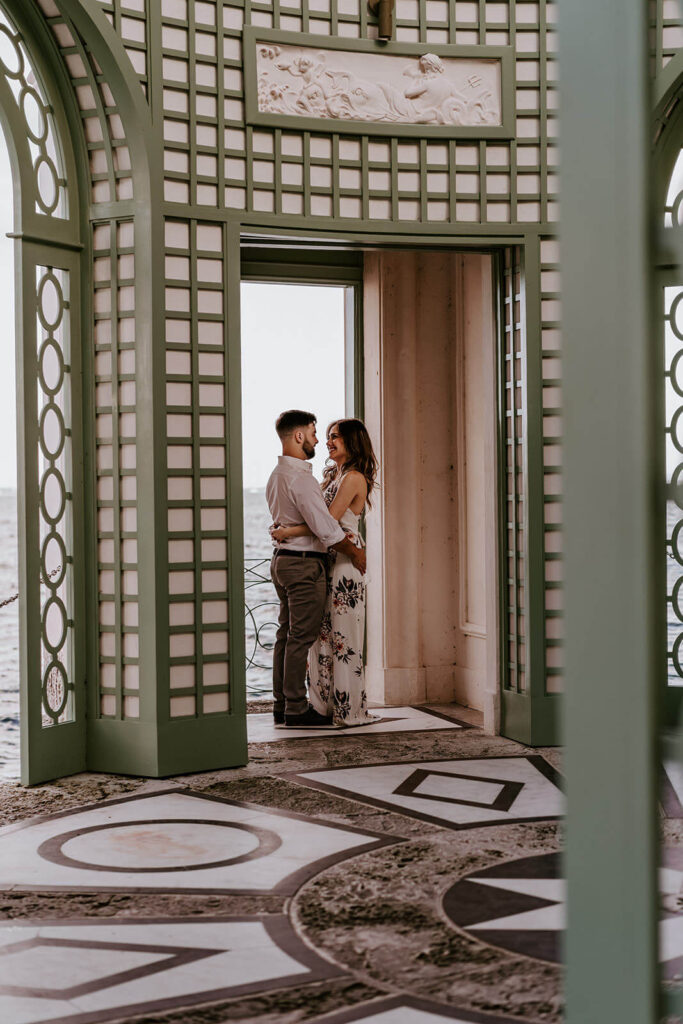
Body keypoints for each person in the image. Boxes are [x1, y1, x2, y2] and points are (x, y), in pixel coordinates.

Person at [271, 418, 379, 727]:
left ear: (352, 442)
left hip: (345, 558)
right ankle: (323, 705)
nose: (328, 442)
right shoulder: (333, 476)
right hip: (328, 557)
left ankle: (347, 709)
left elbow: (327, 523)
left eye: (336, 438)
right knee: (322, 635)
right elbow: (320, 521)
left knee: (342, 636)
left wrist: (287, 530)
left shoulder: (354, 477)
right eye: (327, 436)